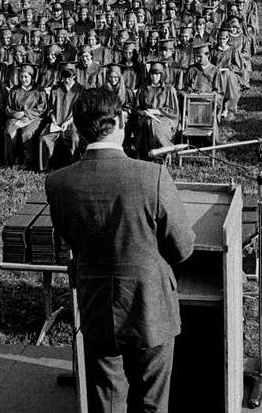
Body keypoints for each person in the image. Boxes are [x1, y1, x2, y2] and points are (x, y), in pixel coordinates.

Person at [45, 88, 196, 413]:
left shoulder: (58, 183)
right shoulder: (152, 176)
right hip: (150, 306)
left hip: (96, 304)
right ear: (118, 120)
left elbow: (68, 239)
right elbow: (183, 248)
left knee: (107, 402)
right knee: (152, 404)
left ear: (78, 126)